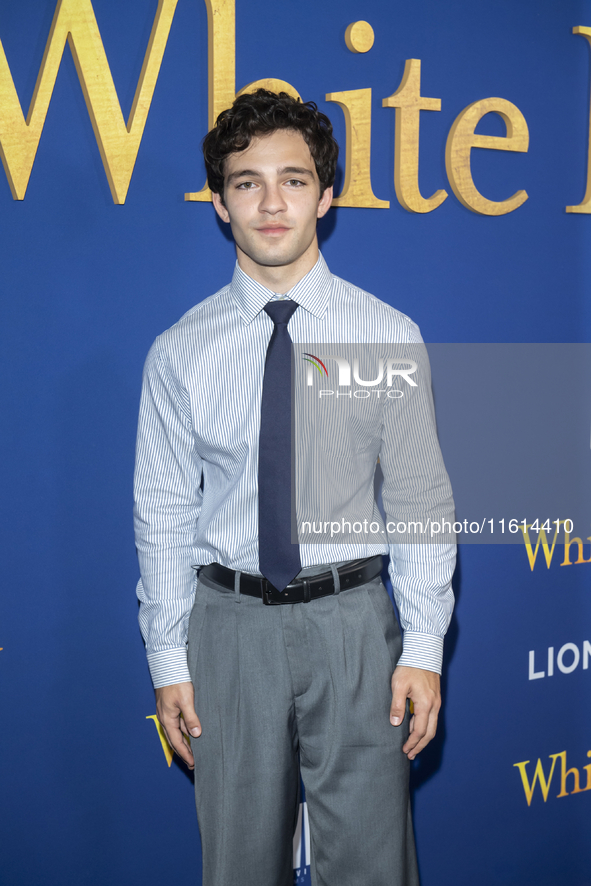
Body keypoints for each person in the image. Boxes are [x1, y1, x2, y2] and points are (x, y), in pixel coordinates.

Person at [134, 89, 456, 886]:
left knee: (373, 867)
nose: (271, 203)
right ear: (219, 202)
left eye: (294, 180)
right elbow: (165, 513)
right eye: (247, 182)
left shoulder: (386, 333)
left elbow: (418, 499)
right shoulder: (179, 352)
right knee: (239, 866)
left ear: (326, 194)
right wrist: (168, 659)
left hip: (354, 628)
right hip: (228, 630)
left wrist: (421, 649)